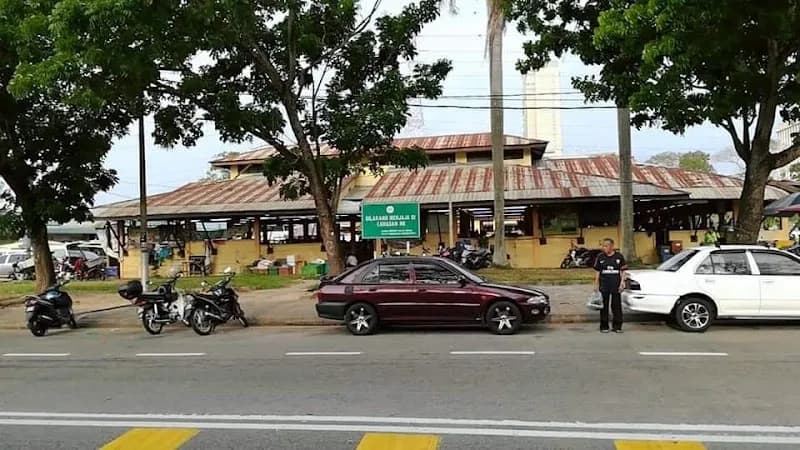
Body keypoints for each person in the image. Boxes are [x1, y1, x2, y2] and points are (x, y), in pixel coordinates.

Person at [593, 238, 628, 333]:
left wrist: (622, 283)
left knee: (616, 306)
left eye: (605, 246)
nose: (603, 248)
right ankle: (604, 326)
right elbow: (597, 271)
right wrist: (596, 284)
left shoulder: (619, 256)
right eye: (602, 246)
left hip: (616, 285)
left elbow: (623, 271)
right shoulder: (600, 257)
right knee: (604, 306)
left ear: (611, 246)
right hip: (604, 285)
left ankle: (617, 326)